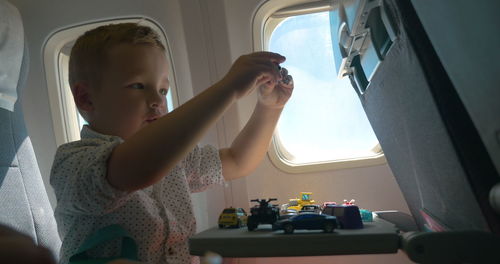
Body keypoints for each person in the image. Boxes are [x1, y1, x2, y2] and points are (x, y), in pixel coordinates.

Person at [50, 23, 293, 264]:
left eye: (163, 90)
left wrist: (270, 107)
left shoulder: (176, 158)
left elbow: (237, 161)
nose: (157, 99)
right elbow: (136, 169)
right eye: (138, 86)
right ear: (86, 99)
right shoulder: (72, 162)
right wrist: (227, 88)